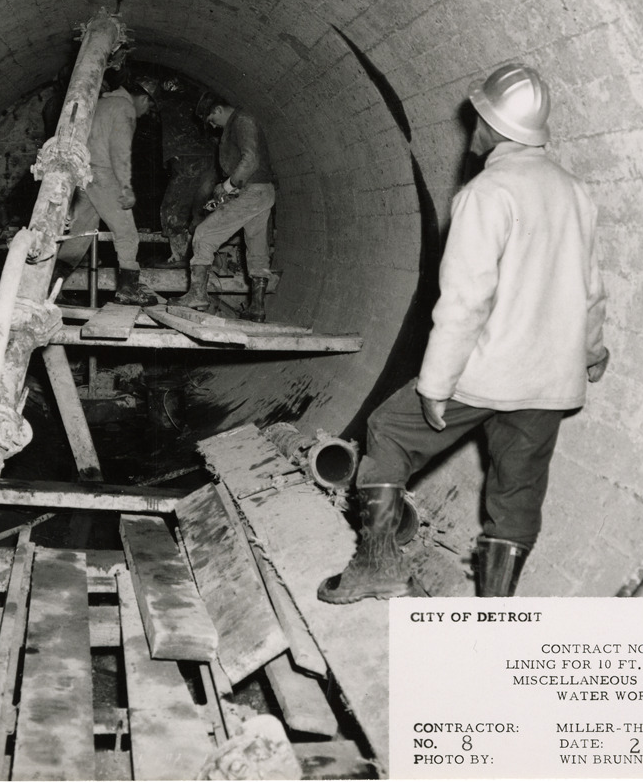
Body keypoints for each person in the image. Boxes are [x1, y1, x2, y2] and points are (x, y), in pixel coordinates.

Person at [318, 63, 609, 602]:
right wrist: (591, 352)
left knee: (388, 429)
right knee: (516, 496)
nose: (471, 127)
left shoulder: (487, 193)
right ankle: (495, 616)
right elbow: (591, 289)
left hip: (487, 373)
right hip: (549, 381)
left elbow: (464, 301)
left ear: (492, 125)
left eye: (477, 117)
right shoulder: (575, 192)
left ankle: (377, 567)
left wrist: (435, 384)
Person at [51, 74, 160, 307]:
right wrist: (125, 186)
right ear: (143, 99)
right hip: (103, 173)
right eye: (149, 107)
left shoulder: (99, 103)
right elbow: (120, 151)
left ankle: (50, 288)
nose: (146, 112)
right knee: (127, 233)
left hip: (83, 175)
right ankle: (128, 289)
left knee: (79, 236)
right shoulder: (124, 108)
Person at [174, 93, 277, 322]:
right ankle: (257, 308)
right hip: (260, 192)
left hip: (252, 191)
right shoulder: (239, 122)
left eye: (211, 120)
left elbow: (250, 159)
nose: (212, 126)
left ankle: (197, 295)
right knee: (257, 248)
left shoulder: (242, 120)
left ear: (219, 110)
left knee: (204, 234)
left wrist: (228, 185)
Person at [155, 83, 218, 267]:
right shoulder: (194, 99)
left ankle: (180, 257)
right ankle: (206, 257)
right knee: (201, 210)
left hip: (188, 158)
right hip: (209, 157)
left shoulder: (167, 97)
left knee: (172, 210)